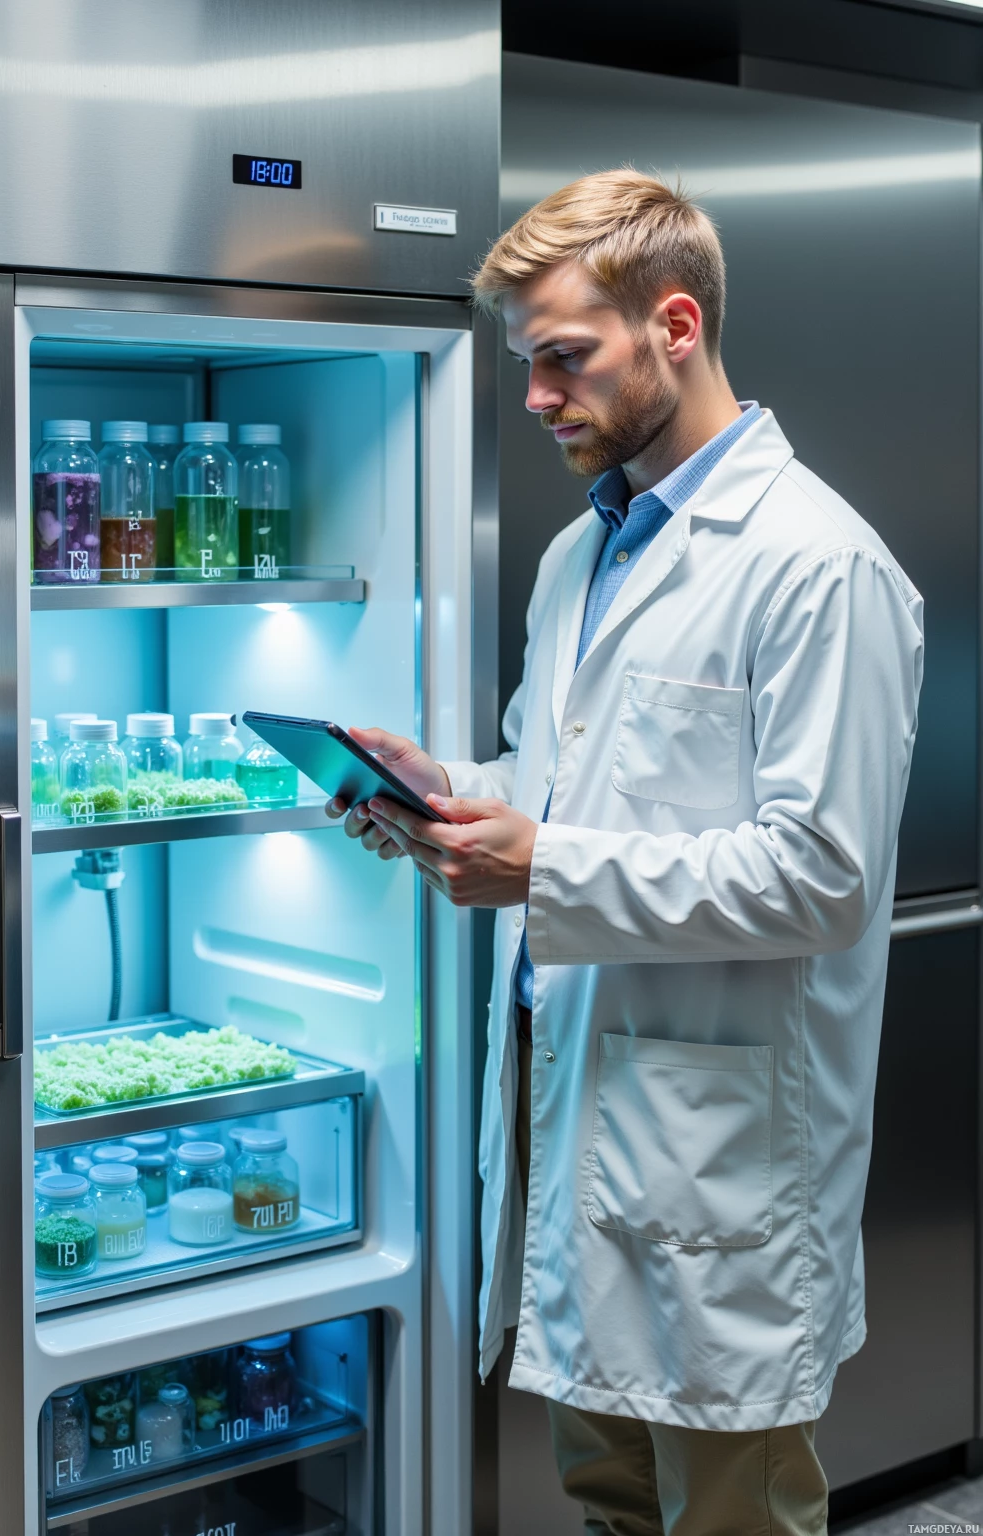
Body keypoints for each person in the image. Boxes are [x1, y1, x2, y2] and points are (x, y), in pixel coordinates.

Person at [326, 170, 924, 1535]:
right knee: (605, 1498)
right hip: (568, 1115)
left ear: (674, 326)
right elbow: (567, 787)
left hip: (718, 1157)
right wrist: (442, 793)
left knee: (728, 1513)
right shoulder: (577, 558)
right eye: (526, 360)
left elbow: (823, 875)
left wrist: (541, 868)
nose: (536, 395)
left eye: (562, 357)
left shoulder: (817, 567)